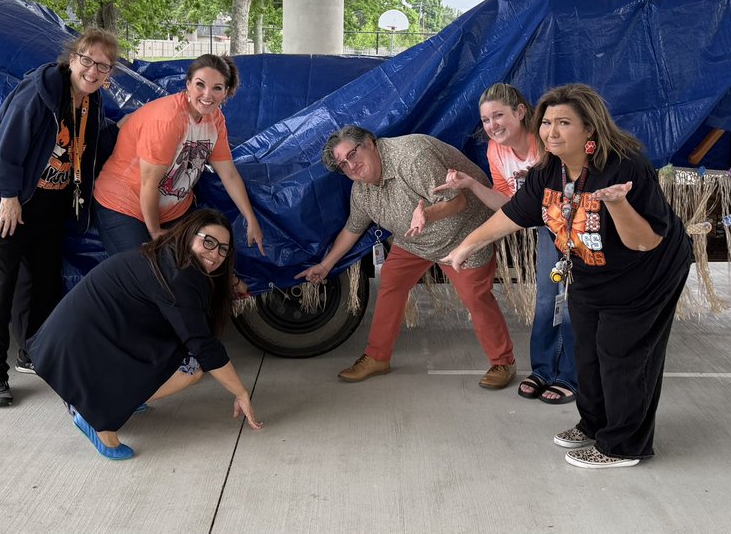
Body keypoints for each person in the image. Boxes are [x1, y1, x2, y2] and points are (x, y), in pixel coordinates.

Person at [442, 84, 692, 469]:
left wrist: (618, 203)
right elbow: (512, 214)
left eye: (564, 123)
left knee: (622, 354)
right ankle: (594, 423)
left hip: (646, 273)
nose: (551, 132)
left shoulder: (624, 166)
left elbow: (643, 242)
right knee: (586, 349)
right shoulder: (549, 170)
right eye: (546, 123)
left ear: (589, 128)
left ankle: (623, 445)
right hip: (590, 269)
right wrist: (466, 246)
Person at [0, 29, 119, 409]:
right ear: (71, 58)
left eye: (103, 66)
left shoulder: (91, 103)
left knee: (44, 281)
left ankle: (31, 350)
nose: (92, 70)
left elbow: (96, 142)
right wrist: (8, 196)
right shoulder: (42, 91)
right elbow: (7, 145)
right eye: (86, 60)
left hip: (45, 203)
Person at [25, 209, 263, 460]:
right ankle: (95, 416)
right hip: (78, 344)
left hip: (85, 335)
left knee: (177, 352)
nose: (215, 254)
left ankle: (125, 395)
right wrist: (240, 392)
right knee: (191, 370)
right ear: (189, 236)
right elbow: (203, 345)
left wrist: (232, 282)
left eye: (223, 249)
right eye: (209, 242)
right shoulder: (178, 275)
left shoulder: (171, 257)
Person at [296, 126, 516, 389]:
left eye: (352, 154)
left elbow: (458, 202)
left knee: (475, 296)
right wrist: (325, 265)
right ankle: (377, 357)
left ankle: (503, 362)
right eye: (343, 164)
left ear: (369, 143)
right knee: (391, 280)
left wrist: (427, 215)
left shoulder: (412, 158)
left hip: (464, 234)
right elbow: (352, 229)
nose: (351, 166)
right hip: (415, 240)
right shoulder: (362, 190)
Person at [434, 83, 578, 405]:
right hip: (547, 230)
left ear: (520, 112)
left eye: (498, 115)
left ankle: (570, 375)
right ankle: (542, 370)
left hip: (576, 228)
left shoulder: (546, 143)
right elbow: (508, 204)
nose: (492, 125)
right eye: (486, 120)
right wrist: (471, 184)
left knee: (571, 302)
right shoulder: (495, 151)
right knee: (546, 301)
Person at [93, 54, 264, 258]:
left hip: (174, 208)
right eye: (200, 85)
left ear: (225, 93)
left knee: (201, 260)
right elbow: (149, 184)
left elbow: (228, 174)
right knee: (144, 271)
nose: (207, 95)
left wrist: (251, 219)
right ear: (188, 84)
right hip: (125, 204)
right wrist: (155, 232)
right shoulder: (168, 120)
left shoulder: (215, 118)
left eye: (217, 88)